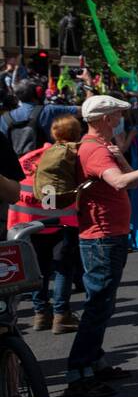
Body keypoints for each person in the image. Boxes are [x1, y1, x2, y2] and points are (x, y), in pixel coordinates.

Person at [65, 95, 138, 397]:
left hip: (107, 235)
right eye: (115, 116)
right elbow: (120, 183)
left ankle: (95, 363)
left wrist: (124, 159)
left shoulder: (100, 148)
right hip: (102, 237)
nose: (119, 121)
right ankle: (79, 372)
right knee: (98, 305)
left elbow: (130, 181)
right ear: (103, 119)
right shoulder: (95, 150)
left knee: (103, 303)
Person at [10, 114, 83, 333]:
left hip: (26, 224)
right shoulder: (71, 156)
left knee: (37, 270)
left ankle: (40, 314)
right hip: (59, 222)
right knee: (62, 269)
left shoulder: (30, 157)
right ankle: (61, 315)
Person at [0, 78, 82, 155]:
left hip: (16, 165)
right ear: (38, 93)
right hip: (44, 162)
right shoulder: (49, 110)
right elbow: (82, 110)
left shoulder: (5, 118)